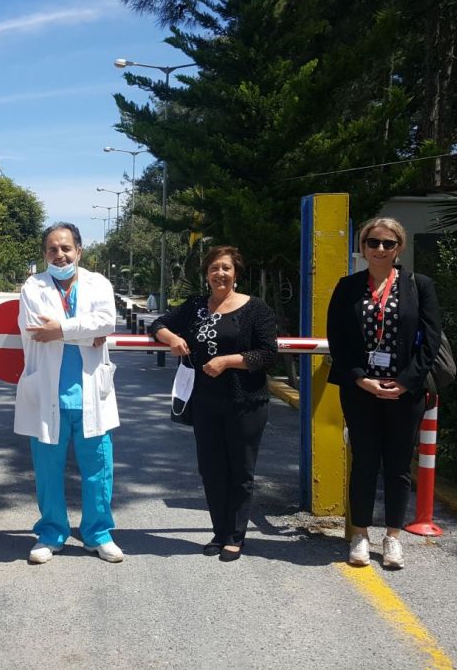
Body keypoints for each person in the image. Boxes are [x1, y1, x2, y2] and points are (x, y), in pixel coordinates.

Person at [327, 217, 441, 570]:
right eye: (372, 242)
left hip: (404, 392)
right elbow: (337, 340)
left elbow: (431, 340)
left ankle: (393, 536)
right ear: (362, 247)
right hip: (361, 390)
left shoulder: (419, 286)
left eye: (388, 243)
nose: (379, 249)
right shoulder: (347, 287)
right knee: (364, 462)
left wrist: (406, 382)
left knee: (398, 466)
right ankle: (360, 534)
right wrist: (361, 379)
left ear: (398, 248)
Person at [150, 246, 278, 561]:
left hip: (245, 401)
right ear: (206, 274)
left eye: (226, 268)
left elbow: (267, 354)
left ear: (236, 273)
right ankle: (219, 533)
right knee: (211, 470)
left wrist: (228, 361)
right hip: (205, 401)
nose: (220, 274)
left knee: (240, 470)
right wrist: (172, 338)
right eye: (213, 269)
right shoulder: (195, 306)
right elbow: (159, 324)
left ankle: (235, 536)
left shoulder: (256, 308)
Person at [14, 222, 123, 564]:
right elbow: (37, 330)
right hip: (49, 393)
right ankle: (51, 532)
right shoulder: (33, 286)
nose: (59, 255)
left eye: (65, 248)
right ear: (44, 254)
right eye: (52, 249)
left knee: (98, 469)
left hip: (92, 393)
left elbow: (106, 322)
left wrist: (60, 329)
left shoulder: (98, 283)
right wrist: (87, 334)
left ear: (79, 250)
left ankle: (98, 533)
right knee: (48, 471)